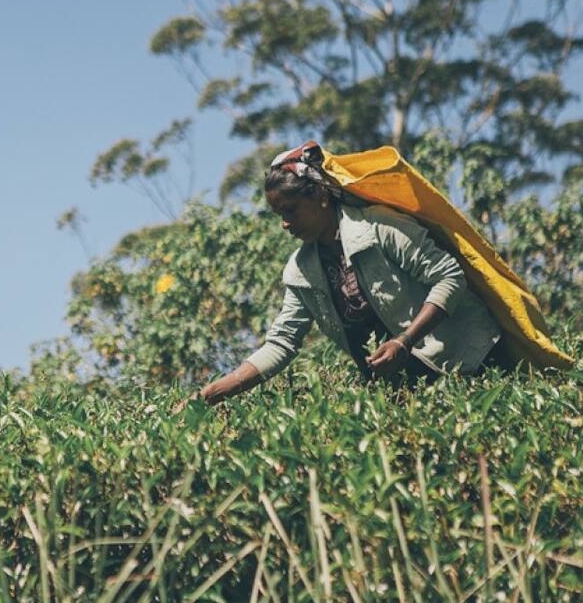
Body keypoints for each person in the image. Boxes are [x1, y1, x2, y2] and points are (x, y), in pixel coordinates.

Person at [176, 141, 510, 411]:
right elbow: (281, 343)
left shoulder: (379, 227)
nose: (284, 224)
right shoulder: (301, 270)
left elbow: (449, 277)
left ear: (320, 196)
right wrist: (210, 395)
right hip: (411, 392)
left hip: (471, 363)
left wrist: (404, 342)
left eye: (290, 211)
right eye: (279, 214)